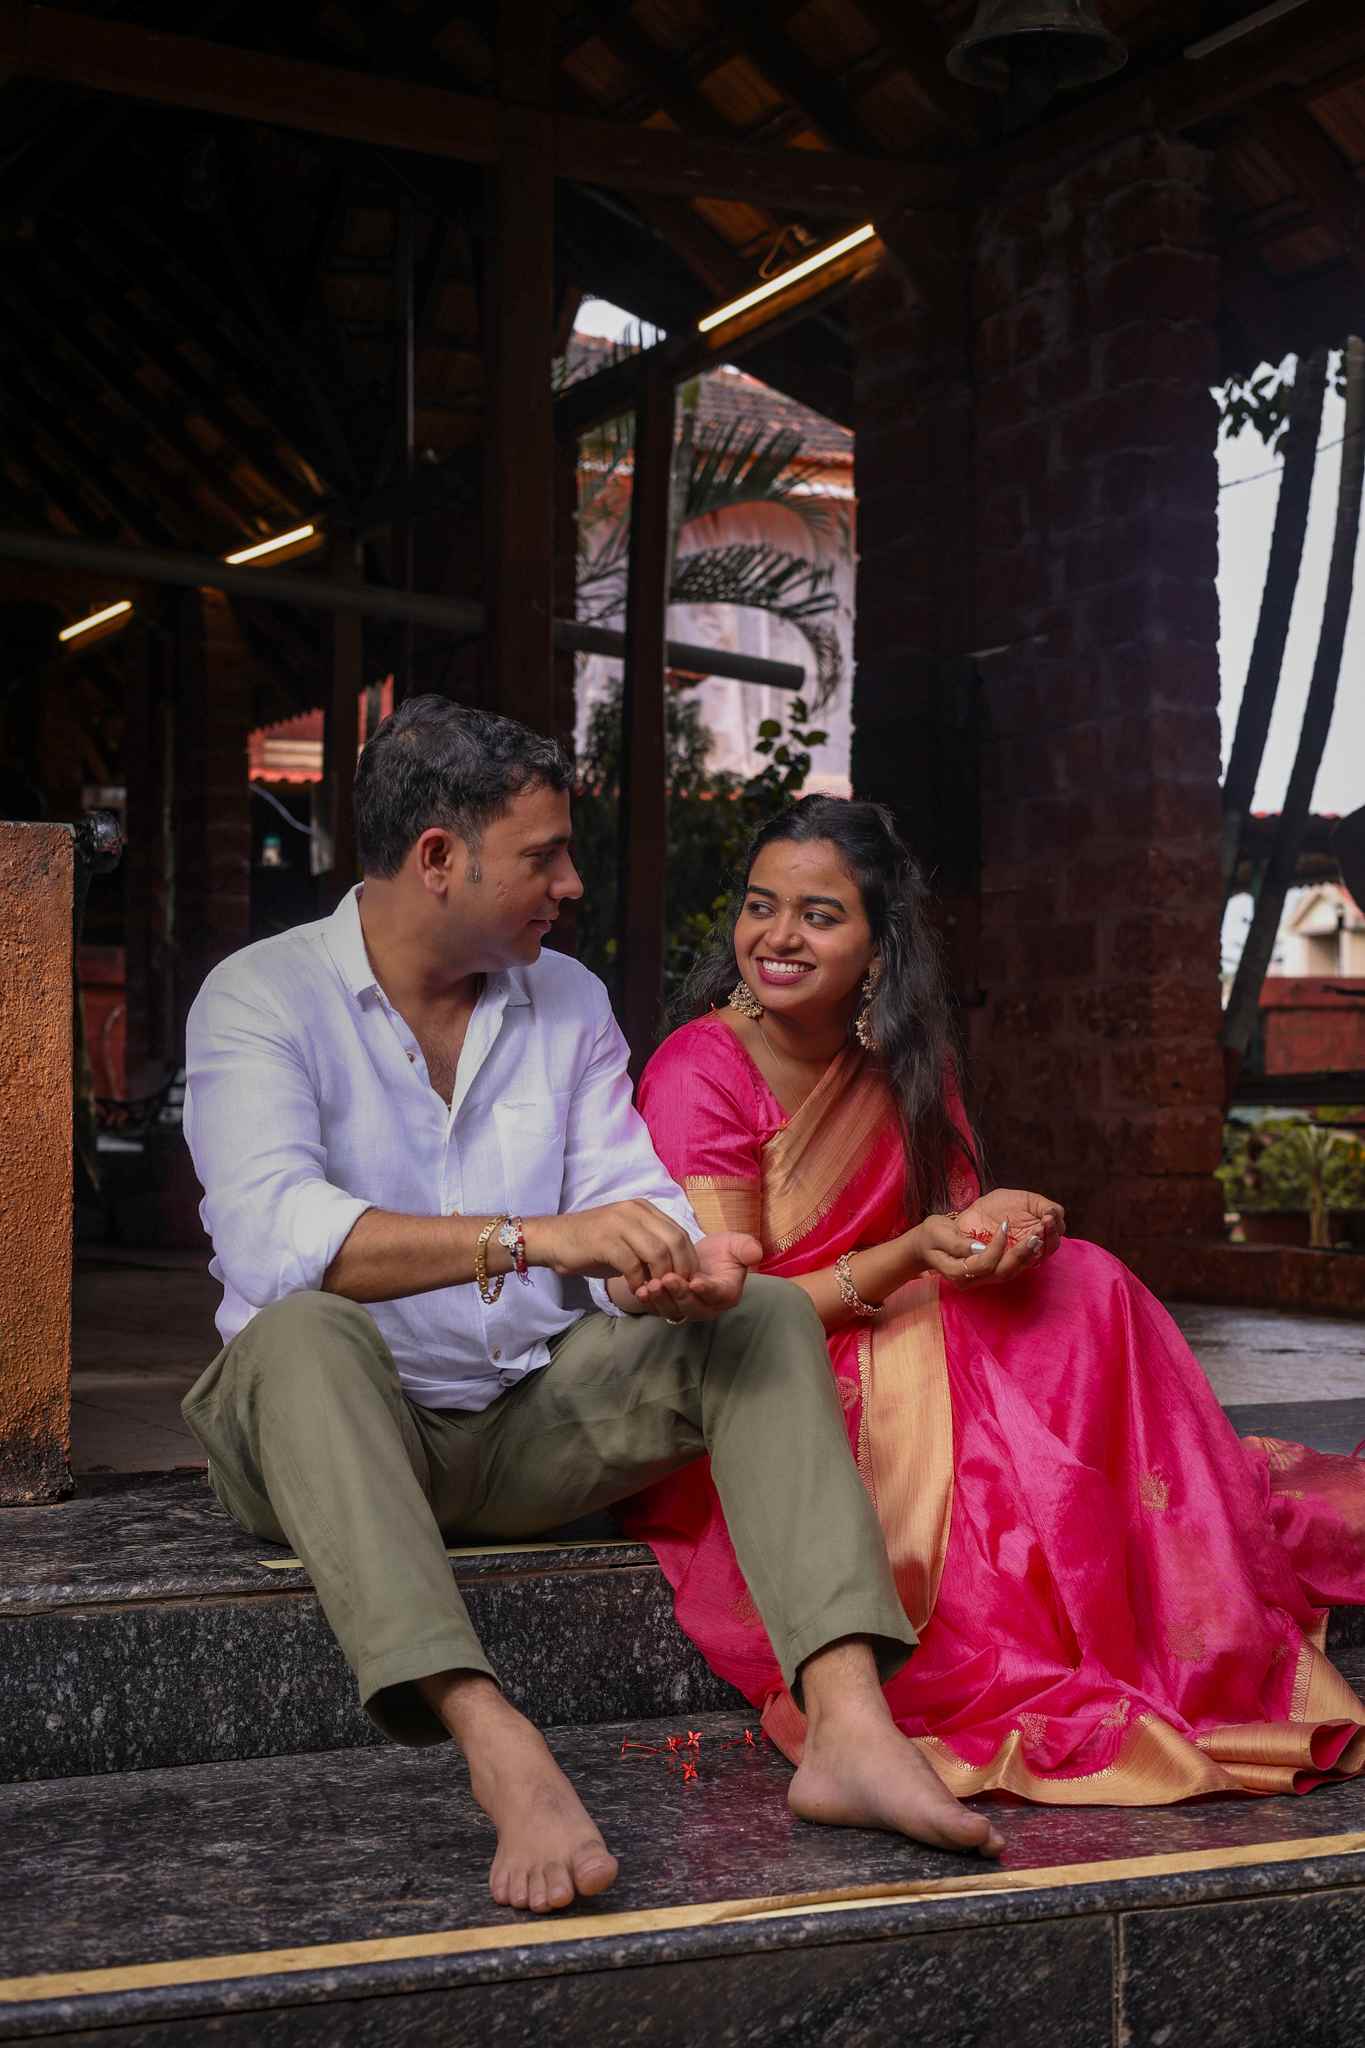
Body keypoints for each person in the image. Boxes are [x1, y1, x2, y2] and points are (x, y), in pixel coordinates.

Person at [180, 699, 1008, 1920]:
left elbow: (621, 1193)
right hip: (329, 1436)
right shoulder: (259, 998)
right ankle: (493, 1733)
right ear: (438, 859)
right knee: (301, 1329)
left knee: (765, 1316)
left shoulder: (560, 997)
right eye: (543, 855)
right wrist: (531, 1240)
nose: (570, 882)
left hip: (527, 1422)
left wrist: (681, 1259)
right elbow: (276, 1234)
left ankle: (846, 1725)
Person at [628, 794, 1365, 1802]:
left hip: (898, 1329)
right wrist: (912, 1261)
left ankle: (1167, 1620)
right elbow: (734, 1312)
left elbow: (954, 1225)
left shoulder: (896, 1063)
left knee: (1085, 1283)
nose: (778, 937)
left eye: (819, 914)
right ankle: (1065, 1628)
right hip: (766, 1378)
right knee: (981, 1364)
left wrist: (1008, 1233)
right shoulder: (699, 1071)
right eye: (761, 906)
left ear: (879, 950)